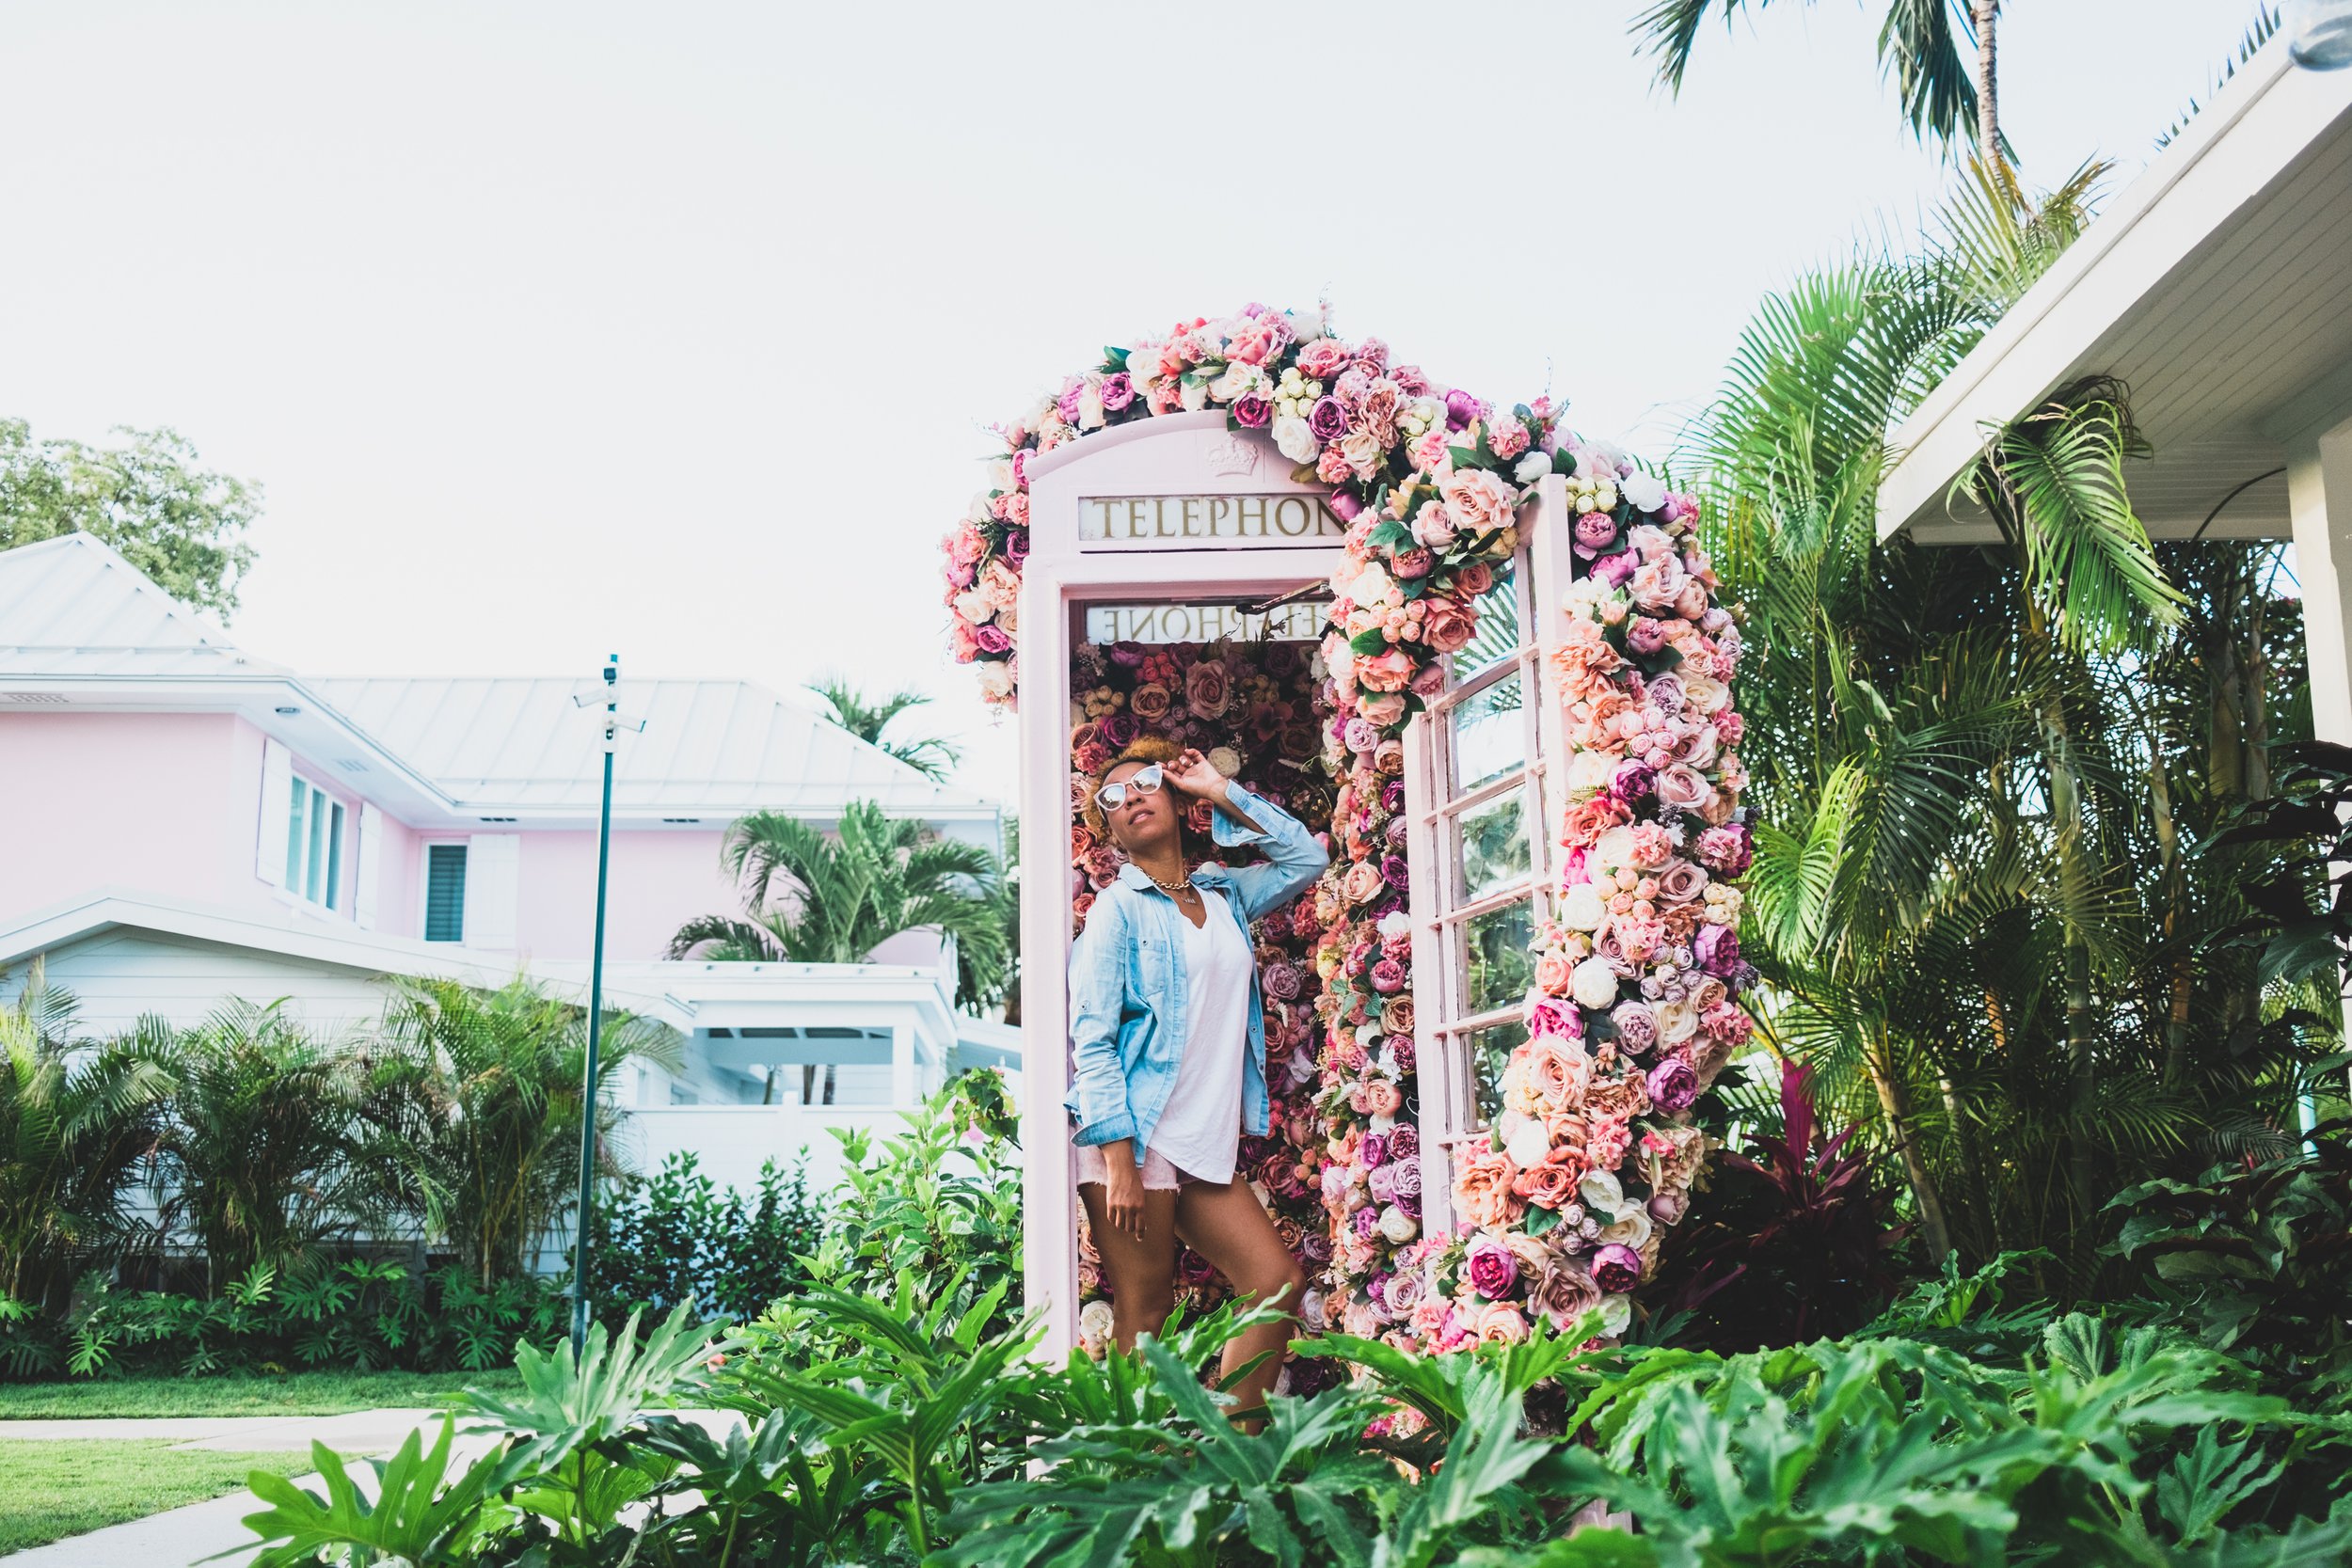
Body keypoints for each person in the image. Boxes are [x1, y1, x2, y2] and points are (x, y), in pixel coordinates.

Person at [1067, 735, 1329, 1421]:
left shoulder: (1223, 895)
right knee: (1144, 1310)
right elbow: (1091, 1039)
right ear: (1111, 828)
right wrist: (1119, 1160)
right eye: (1112, 798)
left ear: (1174, 797)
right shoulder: (1115, 912)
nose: (1131, 798)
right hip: (1135, 1138)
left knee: (1274, 1283)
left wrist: (1220, 791)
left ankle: (1233, 1453)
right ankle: (1127, 1478)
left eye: (1146, 781)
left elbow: (1307, 856)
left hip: (1198, 1143)